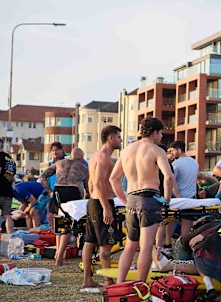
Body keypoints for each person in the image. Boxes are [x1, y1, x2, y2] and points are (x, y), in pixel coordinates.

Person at [110, 117, 175, 283]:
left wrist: (125, 201)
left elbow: (114, 179)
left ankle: (119, 283)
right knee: (146, 247)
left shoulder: (126, 151)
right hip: (149, 199)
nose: (161, 137)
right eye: (161, 133)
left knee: (130, 246)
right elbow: (168, 177)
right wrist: (166, 200)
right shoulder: (156, 150)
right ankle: (140, 285)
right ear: (154, 133)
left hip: (132, 200)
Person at [81, 126, 122, 288]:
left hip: (93, 201)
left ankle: (87, 279)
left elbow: (91, 183)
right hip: (101, 202)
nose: (120, 140)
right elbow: (98, 183)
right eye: (118, 137)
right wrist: (106, 207)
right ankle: (107, 280)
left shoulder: (95, 156)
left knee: (89, 241)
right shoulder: (104, 157)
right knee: (106, 244)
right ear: (110, 138)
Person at [40, 147, 89, 266]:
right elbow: (88, 188)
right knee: (68, 225)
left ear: (70, 155)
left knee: (59, 222)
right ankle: (60, 257)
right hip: (72, 191)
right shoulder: (84, 168)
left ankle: (58, 252)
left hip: (58, 191)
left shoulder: (59, 163)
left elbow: (42, 177)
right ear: (82, 157)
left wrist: (50, 191)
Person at [166, 140, 200, 247]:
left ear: (179, 150)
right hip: (191, 197)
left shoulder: (176, 164)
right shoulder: (195, 162)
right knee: (187, 223)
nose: (172, 154)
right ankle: (184, 245)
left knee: (170, 219)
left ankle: (168, 243)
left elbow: (171, 181)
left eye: (173, 151)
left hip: (177, 197)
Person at [0, 138, 16, 233]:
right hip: (8, 191)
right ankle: (10, 238)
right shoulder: (11, 159)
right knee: (7, 215)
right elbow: (13, 178)